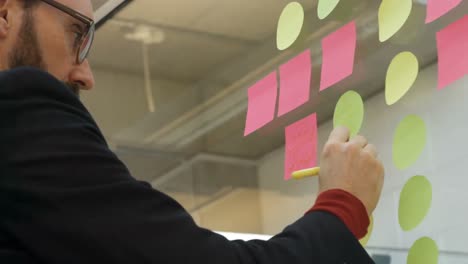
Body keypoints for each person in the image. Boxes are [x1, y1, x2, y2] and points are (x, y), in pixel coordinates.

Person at [0, 0, 385, 263]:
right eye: (77, 34)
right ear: (5, 15)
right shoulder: (18, 108)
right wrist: (343, 205)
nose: (86, 75)